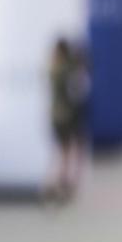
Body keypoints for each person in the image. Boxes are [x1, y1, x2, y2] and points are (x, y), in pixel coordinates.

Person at [47, 37, 88, 202]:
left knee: (64, 152)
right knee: (66, 152)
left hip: (58, 116)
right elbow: (76, 88)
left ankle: (61, 183)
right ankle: (61, 184)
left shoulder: (54, 68)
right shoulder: (63, 70)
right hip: (66, 116)